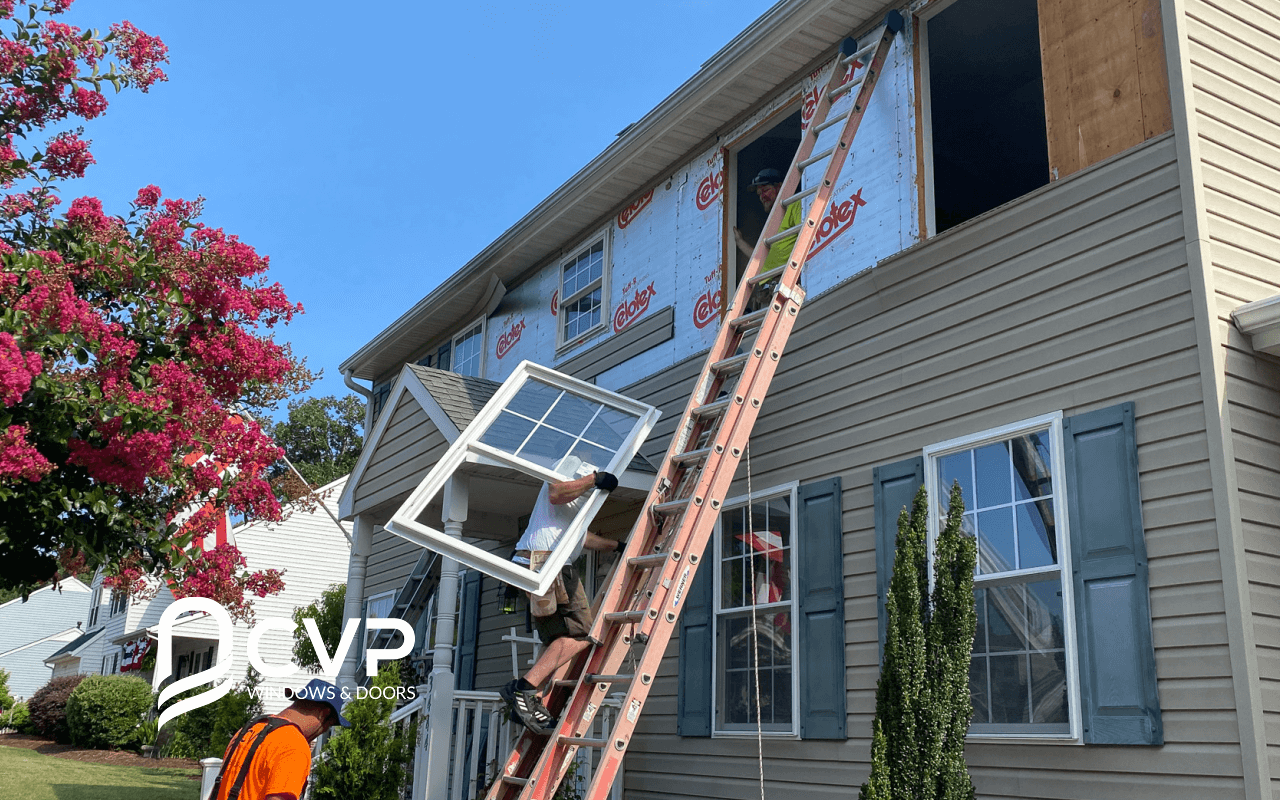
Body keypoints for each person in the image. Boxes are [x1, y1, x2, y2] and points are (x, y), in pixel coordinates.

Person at [501, 464, 623, 734]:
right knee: (582, 633)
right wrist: (594, 479)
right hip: (547, 561)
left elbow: (580, 538)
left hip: (533, 560)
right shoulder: (574, 465)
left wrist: (616, 546)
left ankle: (527, 700)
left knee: (555, 639)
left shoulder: (570, 511)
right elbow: (556, 491)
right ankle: (523, 690)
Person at [213, 677, 350, 800]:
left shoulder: (249, 730)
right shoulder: (294, 744)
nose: (323, 731)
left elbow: (218, 789)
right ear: (323, 714)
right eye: (329, 725)